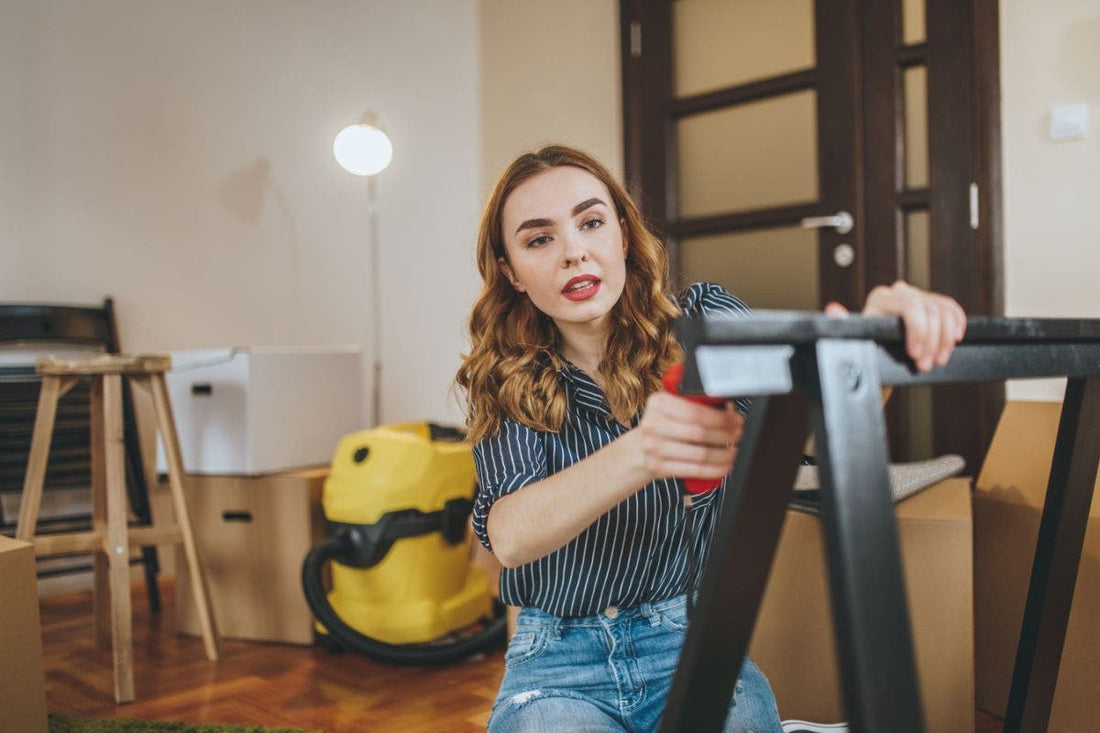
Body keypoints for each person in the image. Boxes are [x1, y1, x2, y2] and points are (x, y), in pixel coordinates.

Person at [456, 145, 966, 732]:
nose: (574, 252)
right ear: (513, 273)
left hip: (687, 645)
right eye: (539, 239)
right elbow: (512, 537)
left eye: (591, 222)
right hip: (556, 664)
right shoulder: (503, 377)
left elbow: (820, 422)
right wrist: (646, 449)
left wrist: (872, 342)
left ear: (622, 237)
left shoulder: (704, 323)